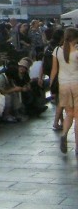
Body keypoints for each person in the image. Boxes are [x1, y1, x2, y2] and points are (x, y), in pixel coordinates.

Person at [49, 27, 78, 155]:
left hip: (63, 85)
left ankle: (64, 134)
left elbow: (54, 71)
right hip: (76, 84)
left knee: (69, 114)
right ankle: (77, 147)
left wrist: (51, 87)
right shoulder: (77, 51)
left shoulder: (56, 50)